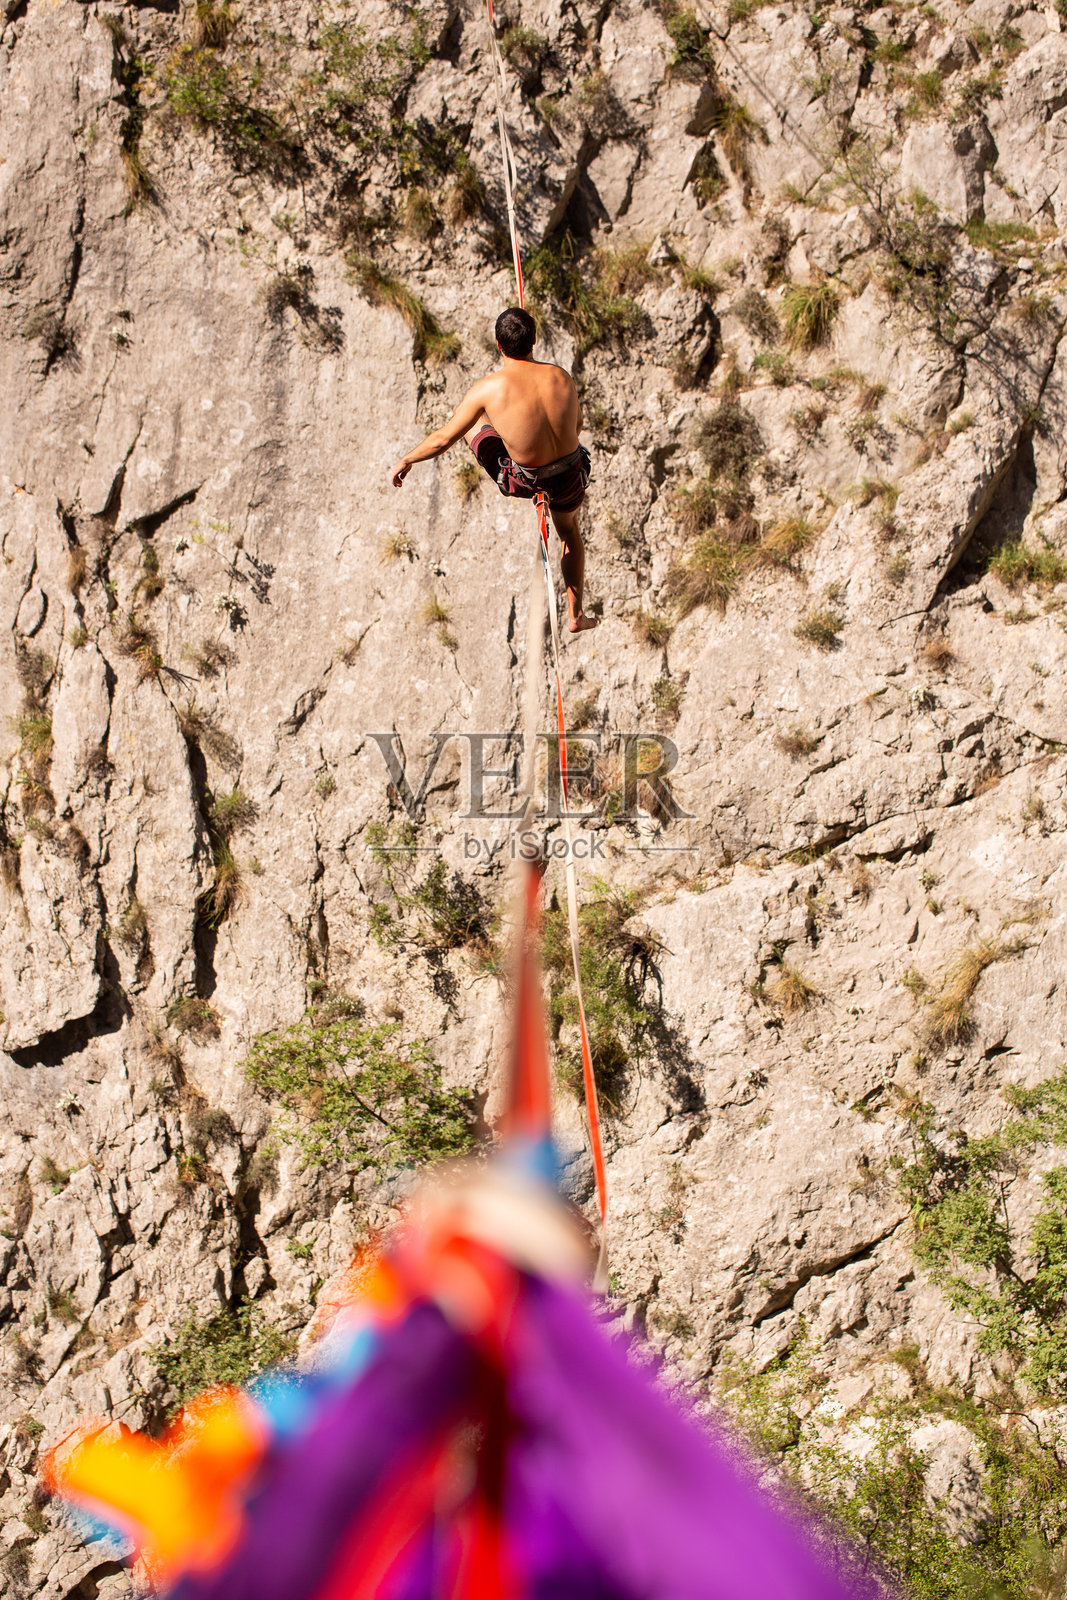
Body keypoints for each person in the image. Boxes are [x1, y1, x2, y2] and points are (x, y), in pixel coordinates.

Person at [389, 307, 597, 633]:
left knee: (468, 417)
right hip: (570, 474)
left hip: (523, 479)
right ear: (535, 340)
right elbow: (578, 425)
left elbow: (443, 439)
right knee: (569, 532)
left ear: (498, 346)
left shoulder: (487, 389)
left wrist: (407, 459)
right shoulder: (561, 376)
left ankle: (511, 444)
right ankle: (576, 615)